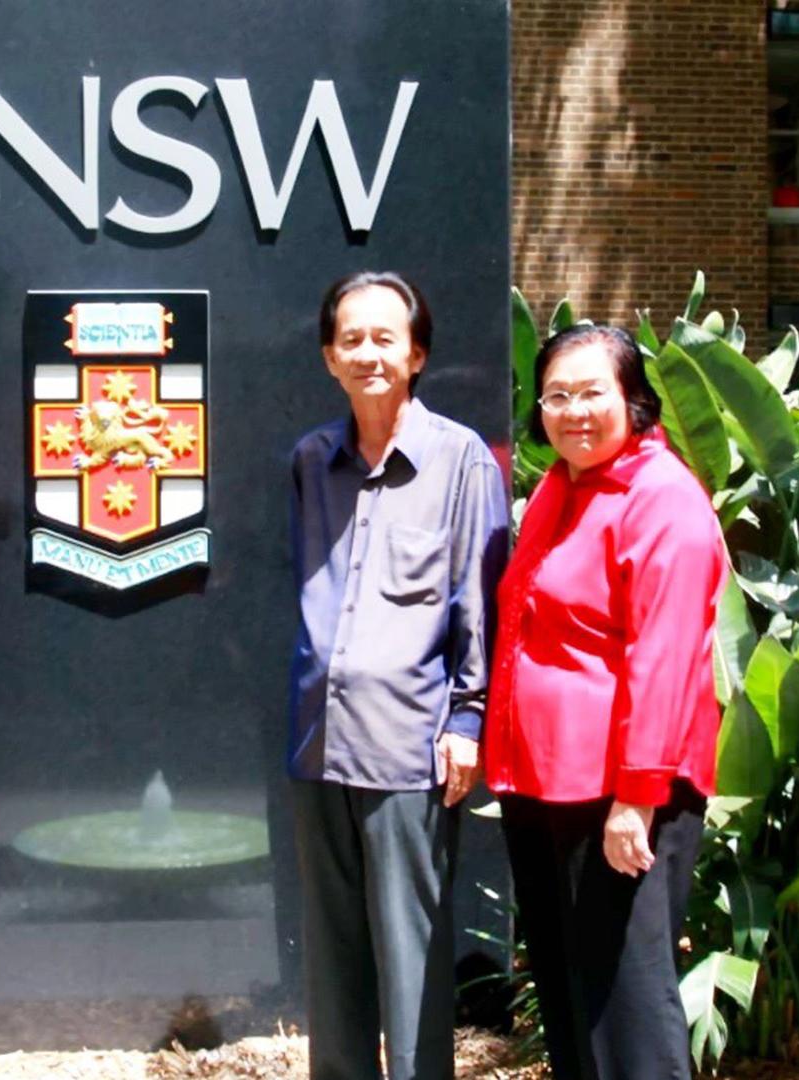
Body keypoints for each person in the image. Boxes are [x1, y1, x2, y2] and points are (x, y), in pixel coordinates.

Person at [483, 324, 727, 1080]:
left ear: (636, 402)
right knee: (570, 989)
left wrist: (636, 798)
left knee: (626, 1002)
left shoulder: (663, 502)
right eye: (557, 395)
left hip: (620, 792)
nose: (573, 411)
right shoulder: (564, 484)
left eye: (594, 393)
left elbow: (666, 659)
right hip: (547, 784)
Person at [286, 271, 510, 1080]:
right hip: (319, 746)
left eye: (386, 338)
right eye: (352, 339)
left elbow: (479, 604)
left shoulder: (461, 464)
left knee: (411, 964)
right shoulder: (312, 459)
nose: (368, 354)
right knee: (332, 962)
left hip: (409, 750)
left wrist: (466, 720)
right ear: (328, 357)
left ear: (416, 354)